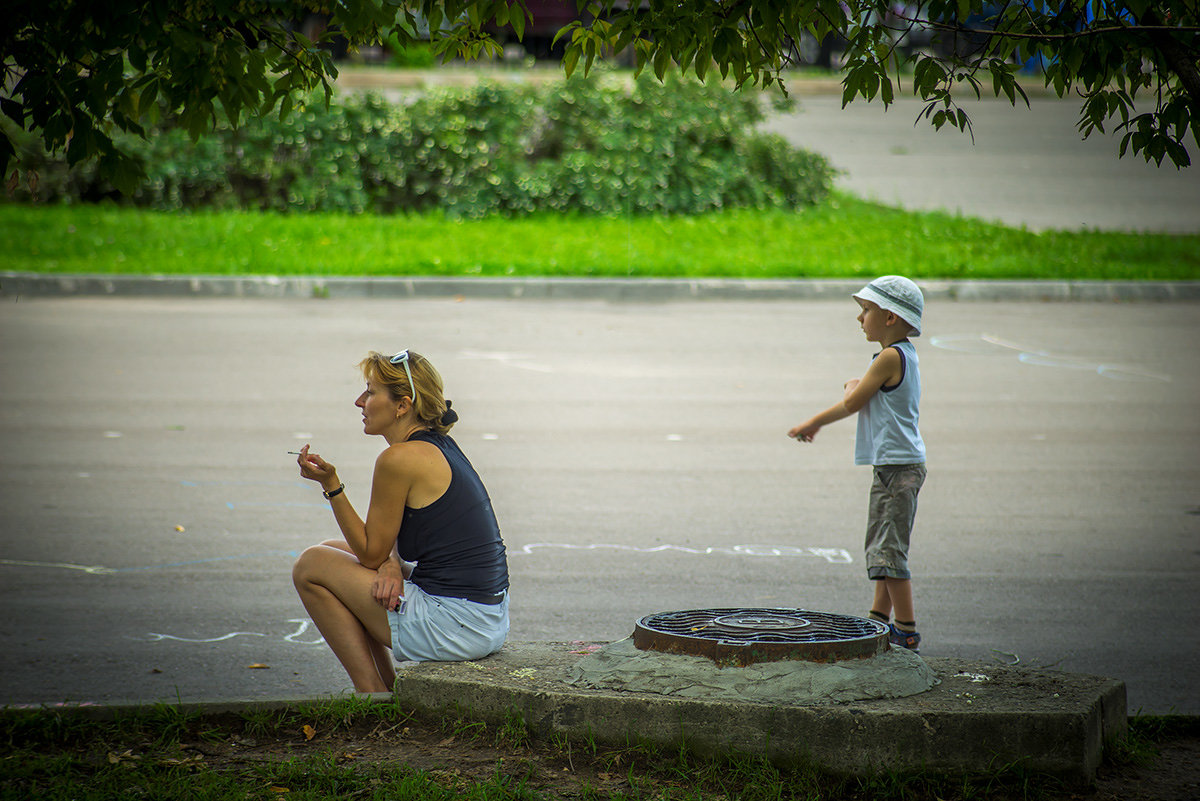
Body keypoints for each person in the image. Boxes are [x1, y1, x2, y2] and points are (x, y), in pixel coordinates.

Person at [292, 350, 509, 692]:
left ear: (402, 405)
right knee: (332, 549)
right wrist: (389, 564)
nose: (359, 401)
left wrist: (332, 485)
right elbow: (381, 548)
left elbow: (369, 553)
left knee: (311, 565)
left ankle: (371, 693)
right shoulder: (437, 445)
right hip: (484, 617)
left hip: (458, 624)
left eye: (371, 392)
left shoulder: (399, 459)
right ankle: (388, 689)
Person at [787, 276, 927, 653]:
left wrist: (812, 421)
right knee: (884, 545)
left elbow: (853, 403)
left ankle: (906, 630)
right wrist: (857, 384)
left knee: (889, 551)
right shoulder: (901, 355)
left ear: (890, 318)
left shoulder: (888, 357)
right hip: (897, 465)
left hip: (898, 469)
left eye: (866, 311)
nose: (860, 318)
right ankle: (878, 621)